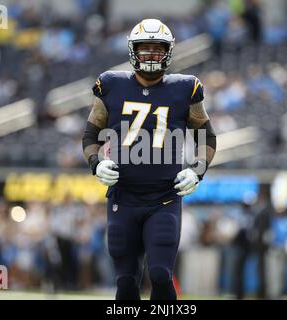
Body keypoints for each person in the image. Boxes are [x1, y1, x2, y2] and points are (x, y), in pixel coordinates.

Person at [82, 19, 217, 300]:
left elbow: (207, 136)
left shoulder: (185, 88)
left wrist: (198, 170)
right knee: (126, 282)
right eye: (146, 49)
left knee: (160, 274)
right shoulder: (111, 84)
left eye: (158, 49)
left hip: (164, 199)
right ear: (133, 51)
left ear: (168, 52)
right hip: (123, 198)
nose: (152, 56)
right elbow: (91, 134)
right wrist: (96, 164)